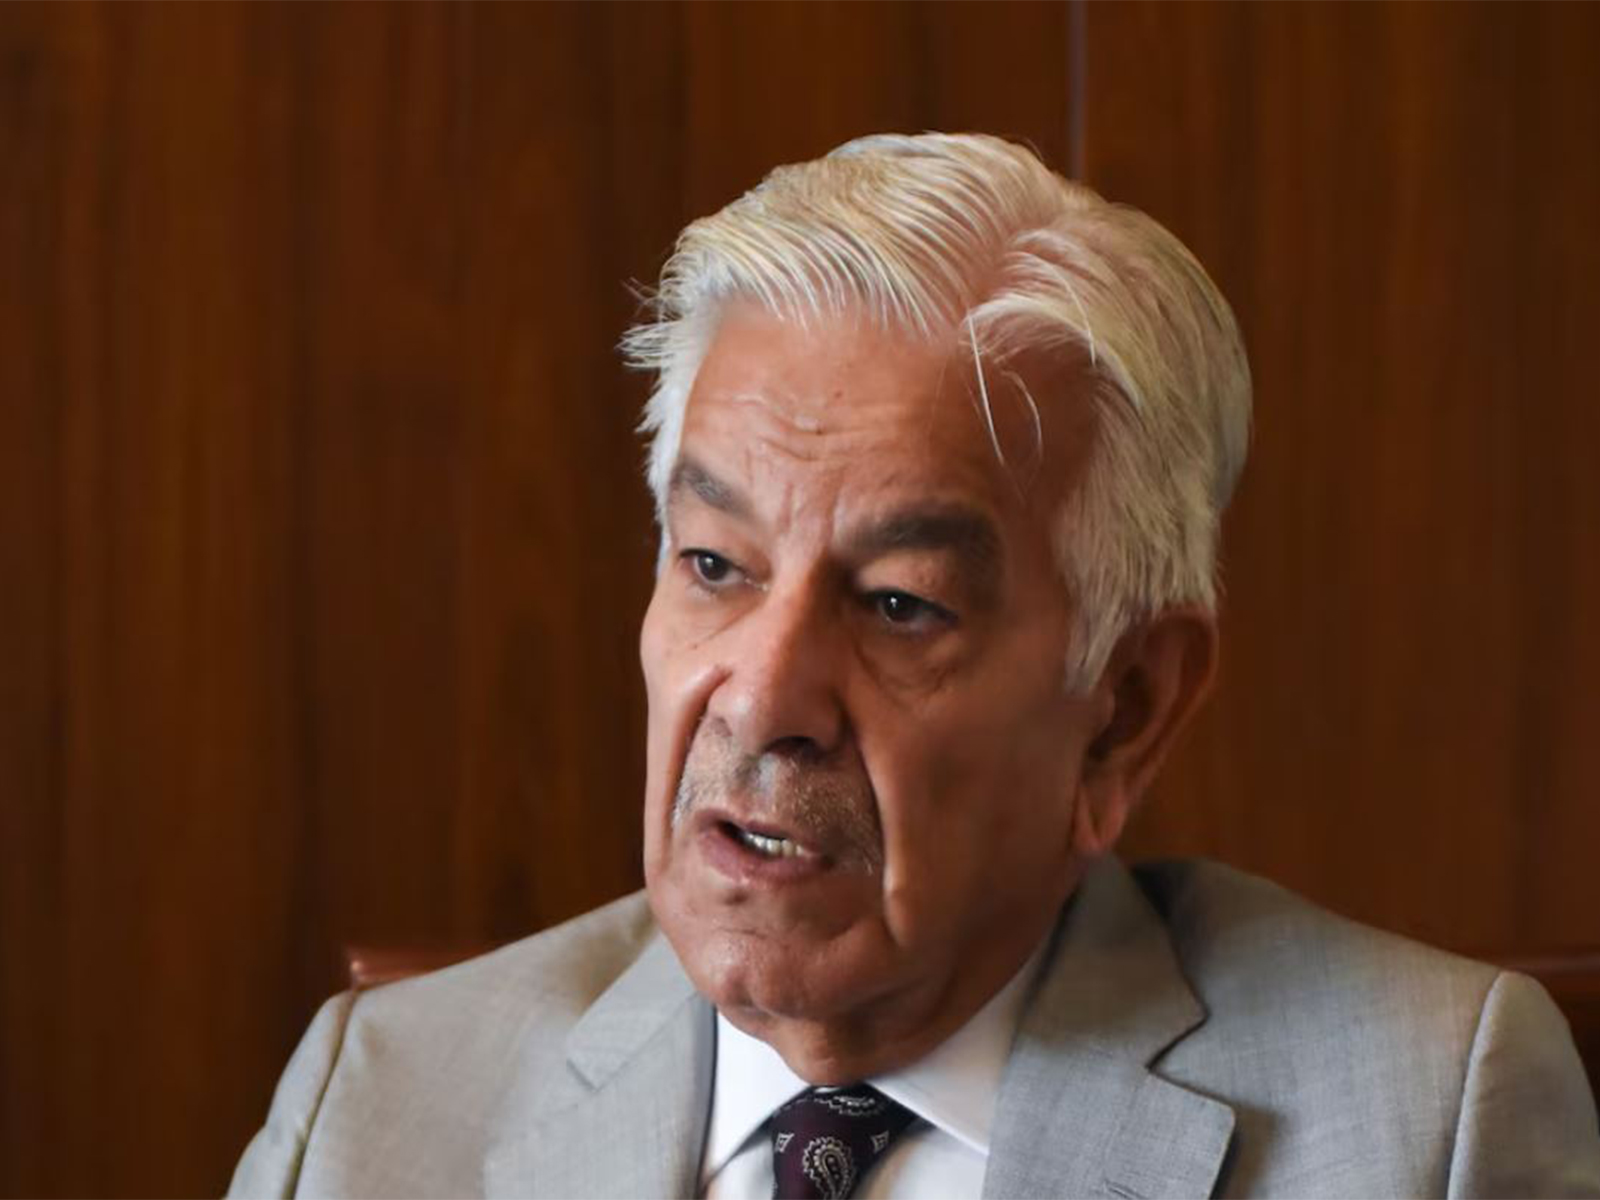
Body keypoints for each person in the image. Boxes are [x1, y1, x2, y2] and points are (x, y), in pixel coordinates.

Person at [230, 133, 1600, 1199]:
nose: (763, 699)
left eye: (898, 605)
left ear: (1125, 710)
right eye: (714, 564)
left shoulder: (1423, 1123)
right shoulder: (381, 1104)